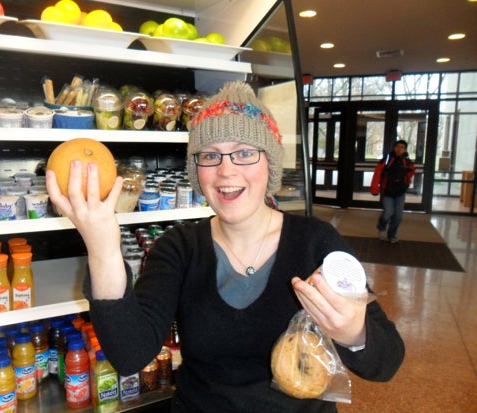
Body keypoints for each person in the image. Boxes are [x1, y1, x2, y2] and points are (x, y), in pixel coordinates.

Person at [46, 81, 404, 413]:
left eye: (244, 153)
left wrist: (353, 333)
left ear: (270, 164)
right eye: (210, 155)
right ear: (196, 170)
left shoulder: (316, 242)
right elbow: (129, 354)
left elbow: (386, 362)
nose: (226, 171)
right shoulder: (180, 248)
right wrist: (103, 247)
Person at [370, 140, 416, 243]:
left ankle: (392, 235)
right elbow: (377, 173)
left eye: (402, 147)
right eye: (397, 147)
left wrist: (406, 183)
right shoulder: (387, 160)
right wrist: (375, 188)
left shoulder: (407, 161)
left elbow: (411, 172)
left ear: (405, 150)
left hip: (400, 192)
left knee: (398, 216)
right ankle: (381, 227)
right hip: (387, 191)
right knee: (388, 213)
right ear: (394, 148)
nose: (399, 149)